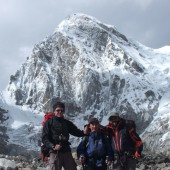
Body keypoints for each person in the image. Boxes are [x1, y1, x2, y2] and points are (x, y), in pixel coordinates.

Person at [42, 101, 86, 170]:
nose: (60, 112)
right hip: (55, 152)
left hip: (66, 151)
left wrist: (84, 132)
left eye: (62, 110)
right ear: (54, 111)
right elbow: (44, 138)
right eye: (58, 110)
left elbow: (76, 132)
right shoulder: (48, 123)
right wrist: (53, 146)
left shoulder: (67, 123)